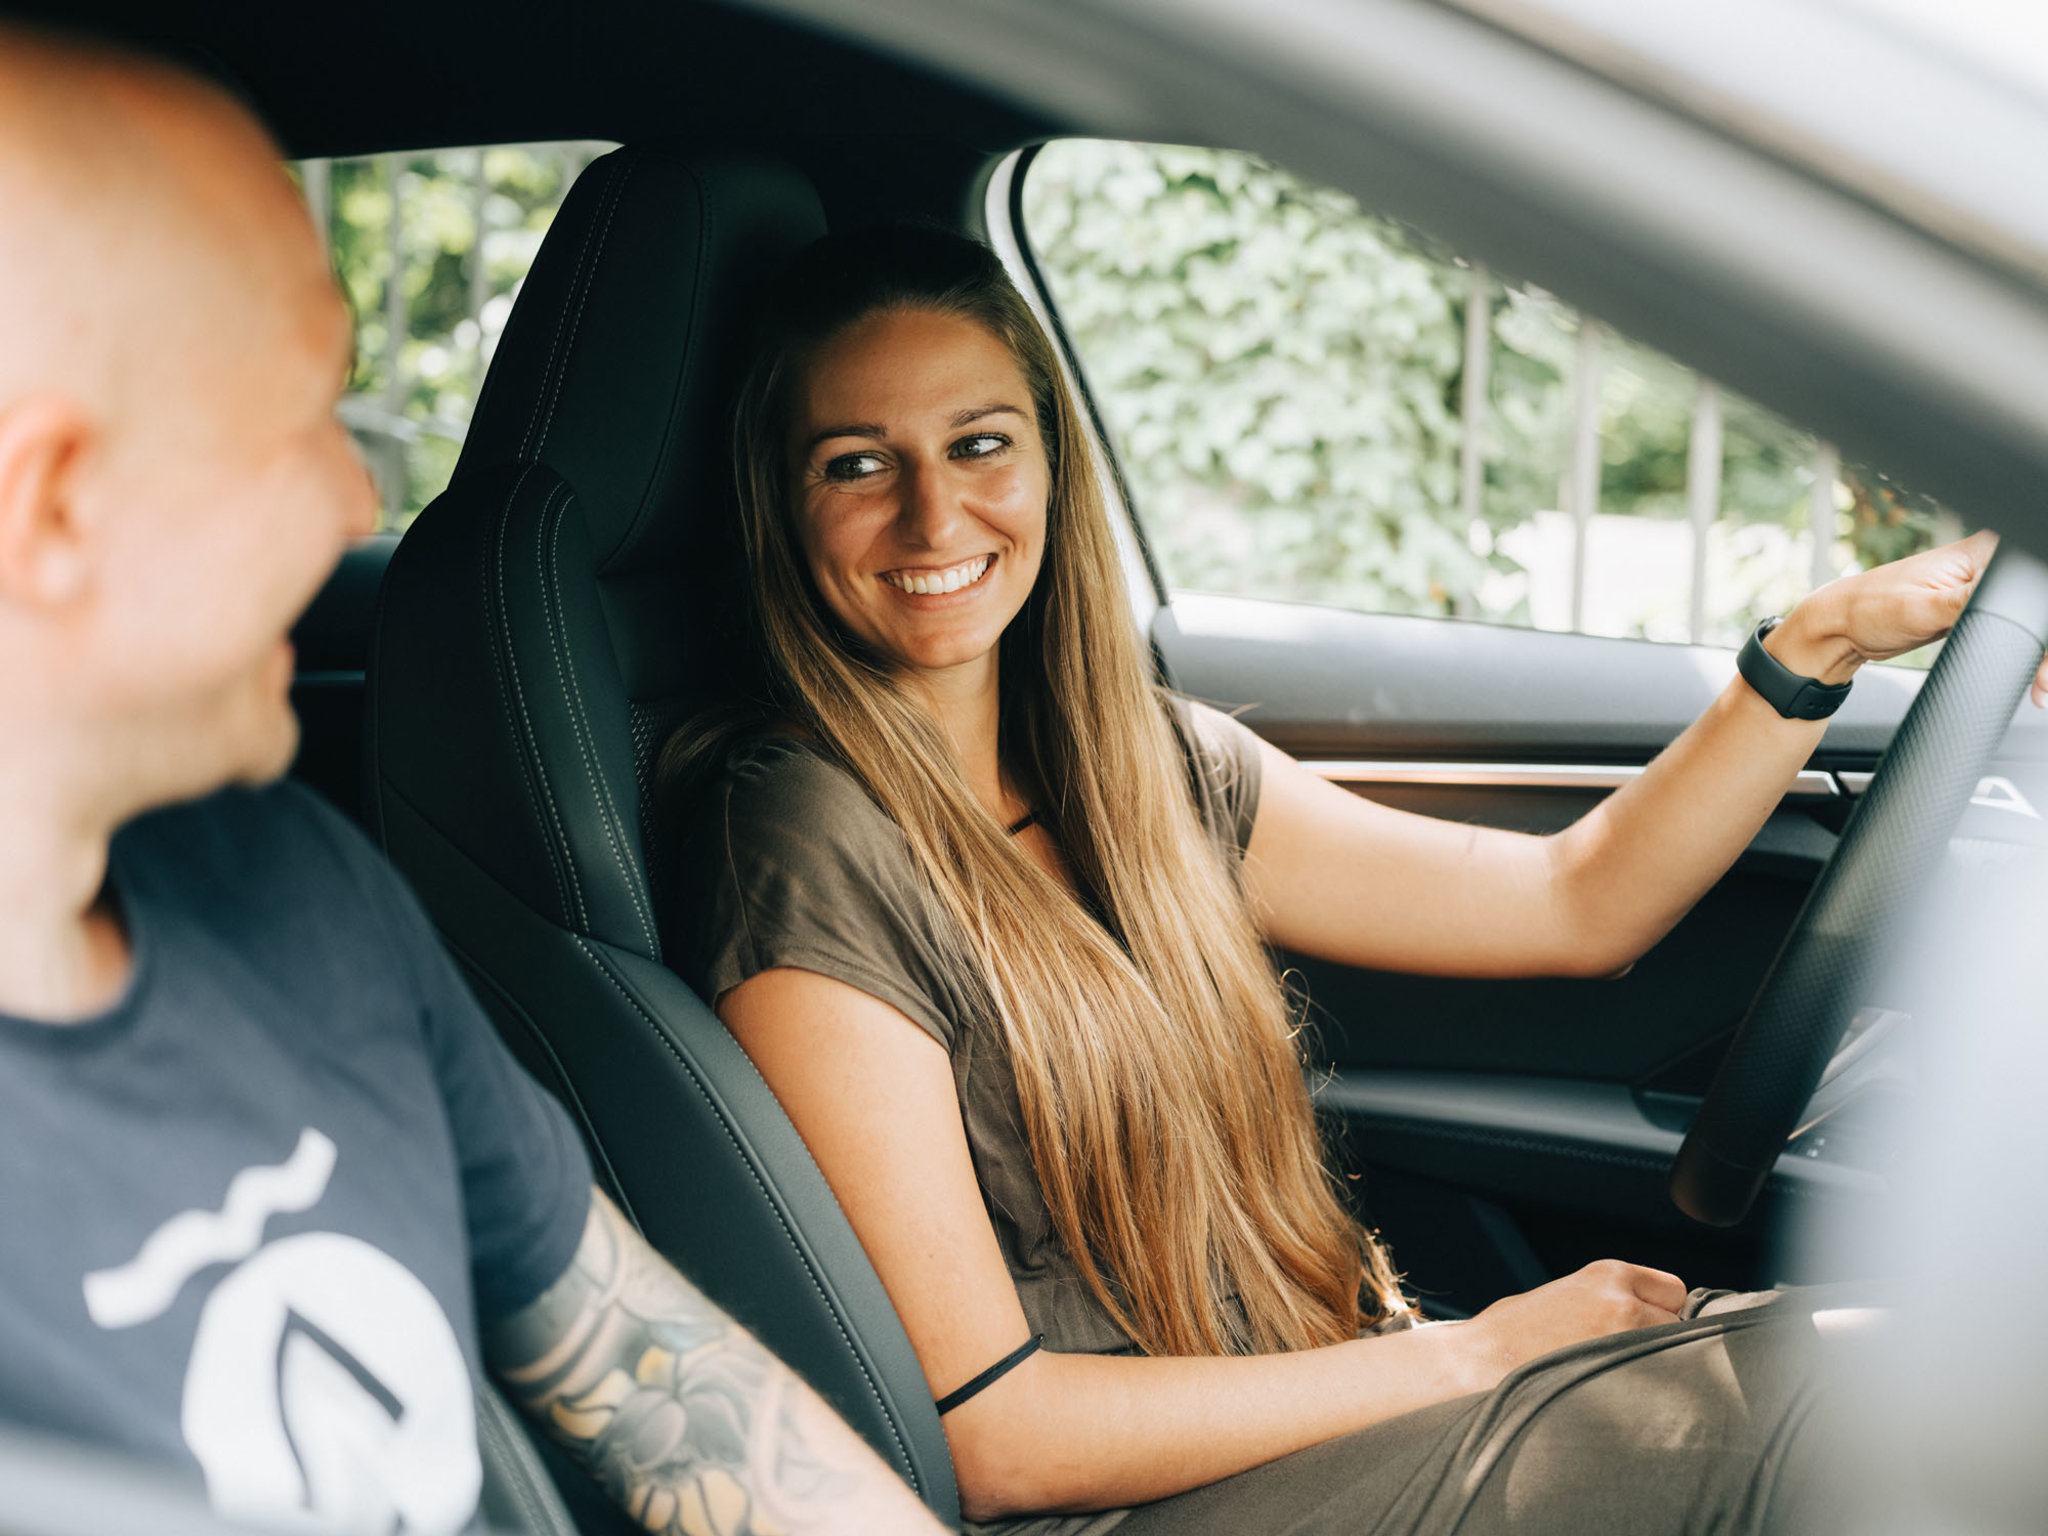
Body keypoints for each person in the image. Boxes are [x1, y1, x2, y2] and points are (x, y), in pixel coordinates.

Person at [663, 223, 2047, 1535]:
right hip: (1132, 1506)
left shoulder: (1138, 764)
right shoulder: (802, 838)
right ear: (780, 507)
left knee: (1946, 1357)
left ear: (1048, 466)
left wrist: (1822, 641)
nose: (931, 514)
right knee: (1879, 1416)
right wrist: (1478, 1356)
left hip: (1309, 1423)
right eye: (855, 464)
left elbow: (1579, 902)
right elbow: (991, 1434)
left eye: (979, 444)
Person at [0, 25, 948, 1536]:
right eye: (298, 416)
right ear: (53, 510)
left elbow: (662, 1386)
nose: (357, 496)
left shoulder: (300, 895)